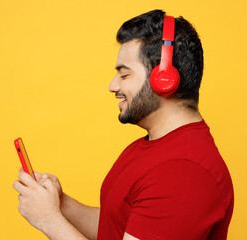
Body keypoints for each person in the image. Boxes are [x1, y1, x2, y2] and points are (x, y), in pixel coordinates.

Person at [13, 9, 234, 240]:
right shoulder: (151, 147)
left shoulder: (184, 173)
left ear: (164, 79)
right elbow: (120, 226)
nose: (112, 85)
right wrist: (61, 203)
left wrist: (49, 220)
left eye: (124, 75)